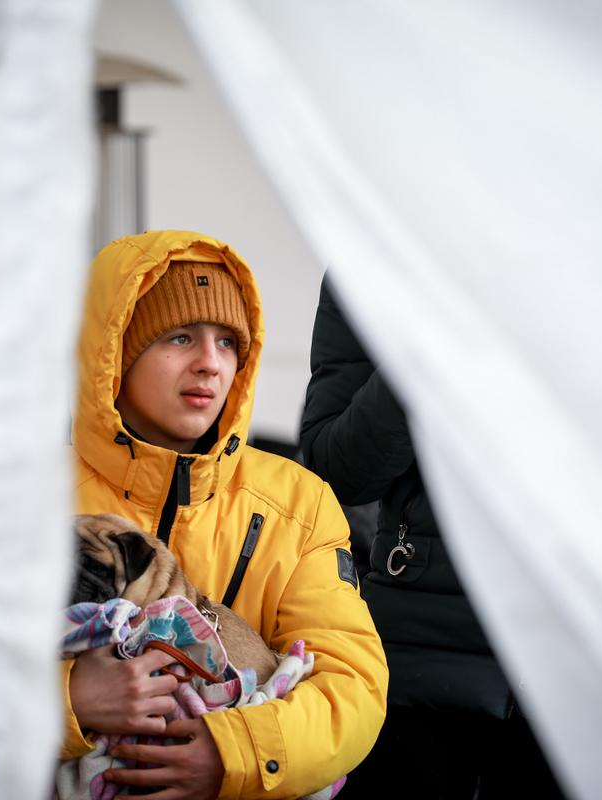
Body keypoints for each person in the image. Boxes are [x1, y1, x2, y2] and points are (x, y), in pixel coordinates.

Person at [61, 231, 388, 799]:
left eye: (228, 343)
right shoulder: (22, 490)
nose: (210, 364)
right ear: (116, 350)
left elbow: (352, 687)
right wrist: (68, 702)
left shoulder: (300, 502)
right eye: (181, 336)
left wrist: (234, 752)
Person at [299, 276, 565, 798]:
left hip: (585, 667)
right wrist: (421, 342)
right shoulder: (373, 252)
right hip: (419, 665)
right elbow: (338, 471)